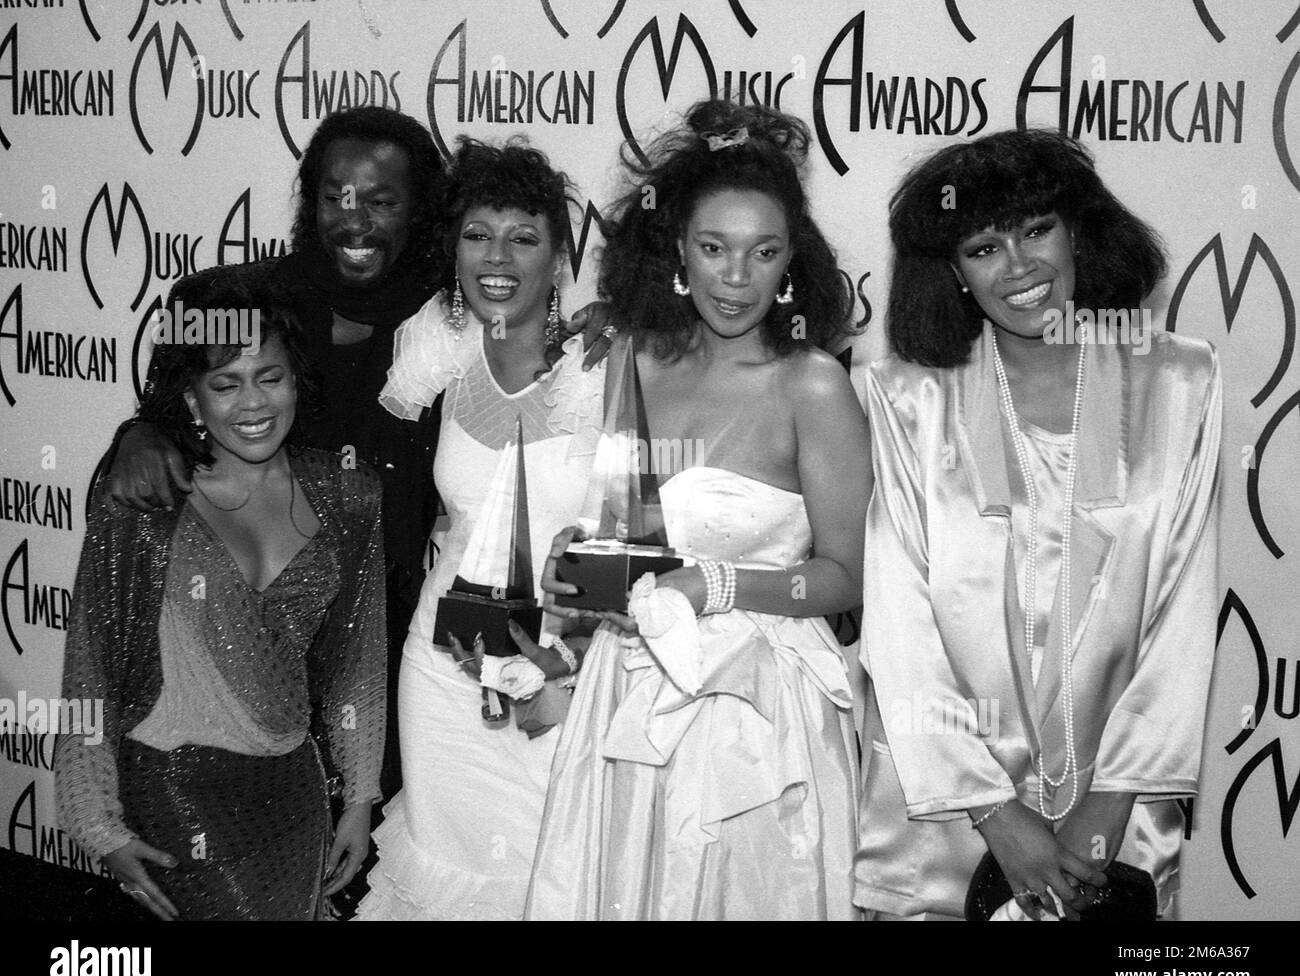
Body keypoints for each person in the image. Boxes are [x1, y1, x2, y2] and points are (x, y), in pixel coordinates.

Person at [853, 129, 1222, 920]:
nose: (1019, 267)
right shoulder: (905, 396)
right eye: (984, 247)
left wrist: (1112, 801)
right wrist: (994, 812)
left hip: (1116, 809)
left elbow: (1184, 610)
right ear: (950, 271)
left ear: (1079, 230)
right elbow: (899, 616)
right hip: (945, 816)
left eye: (1036, 230)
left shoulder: (1181, 379)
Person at [526, 99, 870, 920]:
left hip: (759, 715)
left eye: (763, 253)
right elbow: (621, 538)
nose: (737, 278)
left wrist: (714, 587)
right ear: (677, 248)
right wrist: (574, 571)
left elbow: (847, 575)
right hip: (629, 694)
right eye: (714, 249)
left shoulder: (812, 383)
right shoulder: (634, 363)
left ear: (791, 262)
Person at [105, 107, 447, 807]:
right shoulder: (242, 301)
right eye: (335, 197)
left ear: (418, 211)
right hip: (253, 632)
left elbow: (532, 345)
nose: (355, 221)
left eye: (382, 201)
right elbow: (175, 407)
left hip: (383, 638)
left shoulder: (449, 314)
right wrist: (135, 434)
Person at [54, 275, 386, 920]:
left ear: (298, 381)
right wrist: (97, 823)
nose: (252, 403)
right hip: (174, 794)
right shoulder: (145, 503)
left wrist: (360, 798)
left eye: (270, 376)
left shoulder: (350, 495)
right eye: (226, 383)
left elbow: (357, 663)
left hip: (294, 795)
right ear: (191, 396)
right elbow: (89, 672)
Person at [353, 137, 605, 921]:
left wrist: (568, 670)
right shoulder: (439, 340)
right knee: (439, 879)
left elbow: (638, 538)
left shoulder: (607, 362)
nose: (496, 257)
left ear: (559, 257)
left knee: (554, 884)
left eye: (523, 237)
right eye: (476, 234)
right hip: (442, 669)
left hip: (566, 675)